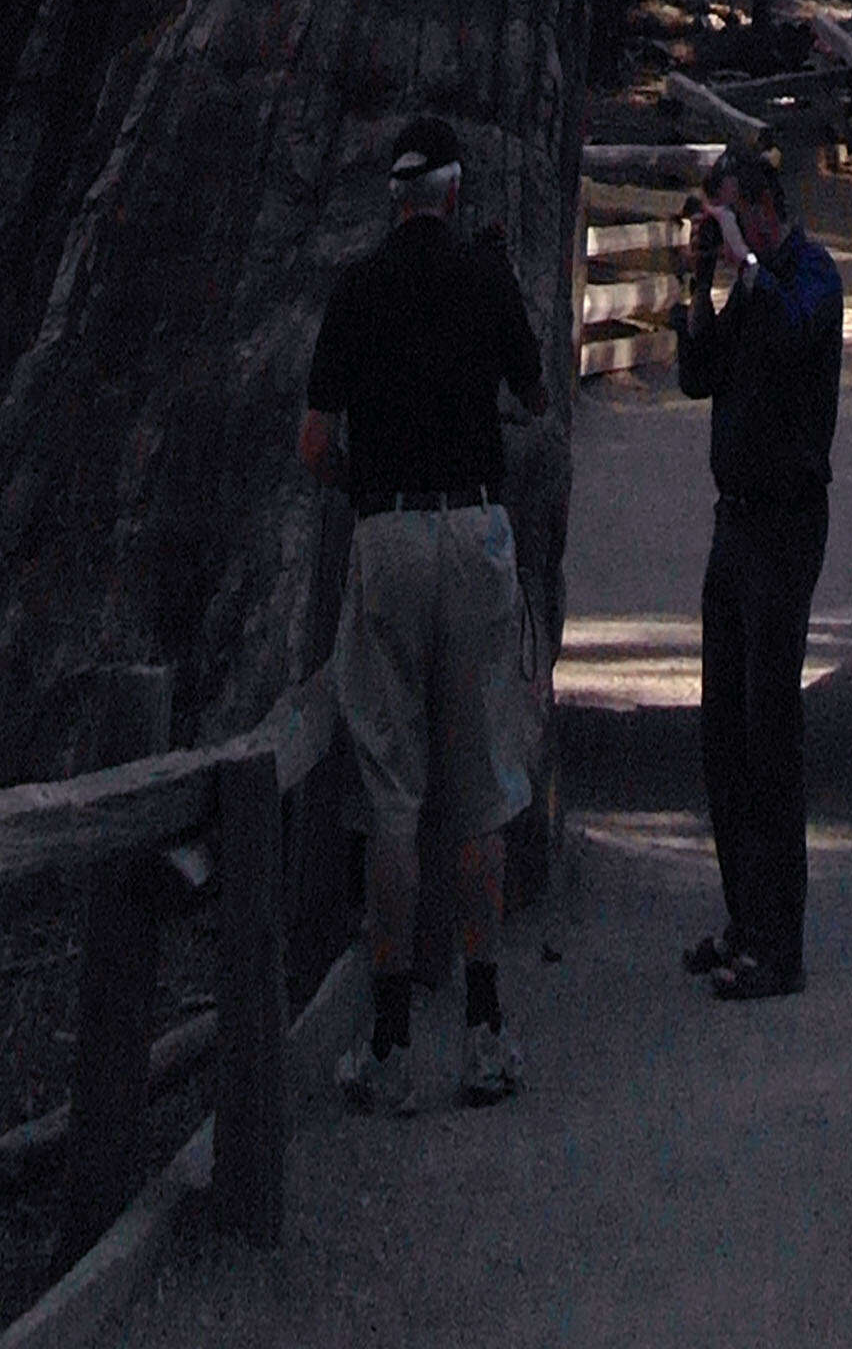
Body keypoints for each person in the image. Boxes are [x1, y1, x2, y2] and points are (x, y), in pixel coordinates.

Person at [303, 104, 546, 1117]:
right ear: (453, 193)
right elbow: (532, 399)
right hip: (475, 529)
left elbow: (316, 442)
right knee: (482, 784)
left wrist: (369, 490)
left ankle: (392, 1040)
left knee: (393, 793)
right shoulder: (485, 275)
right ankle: (485, 1029)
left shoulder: (354, 287)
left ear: (394, 197)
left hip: (390, 531)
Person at [674, 136, 844, 999]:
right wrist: (696, 287)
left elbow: (791, 338)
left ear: (764, 208)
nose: (724, 229)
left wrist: (746, 269)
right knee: (721, 735)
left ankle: (782, 946)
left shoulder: (811, 275)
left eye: (731, 213)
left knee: (769, 732)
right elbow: (696, 377)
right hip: (731, 525)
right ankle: (744, 919)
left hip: (784, 526)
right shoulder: (745, 286)